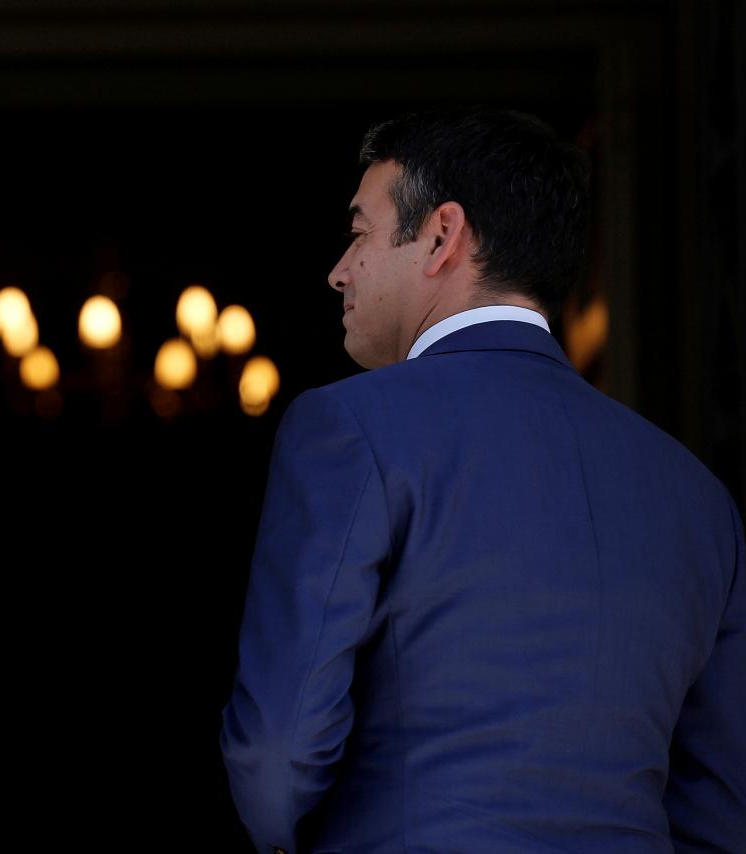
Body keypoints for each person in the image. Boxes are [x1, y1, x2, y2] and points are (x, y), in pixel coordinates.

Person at [221, 109, 746, 853]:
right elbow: (724, 806)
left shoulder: (349, 426)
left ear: (442, 235)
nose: (339, 269)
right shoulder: (697, 495)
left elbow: (275, 762)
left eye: (360, 231)